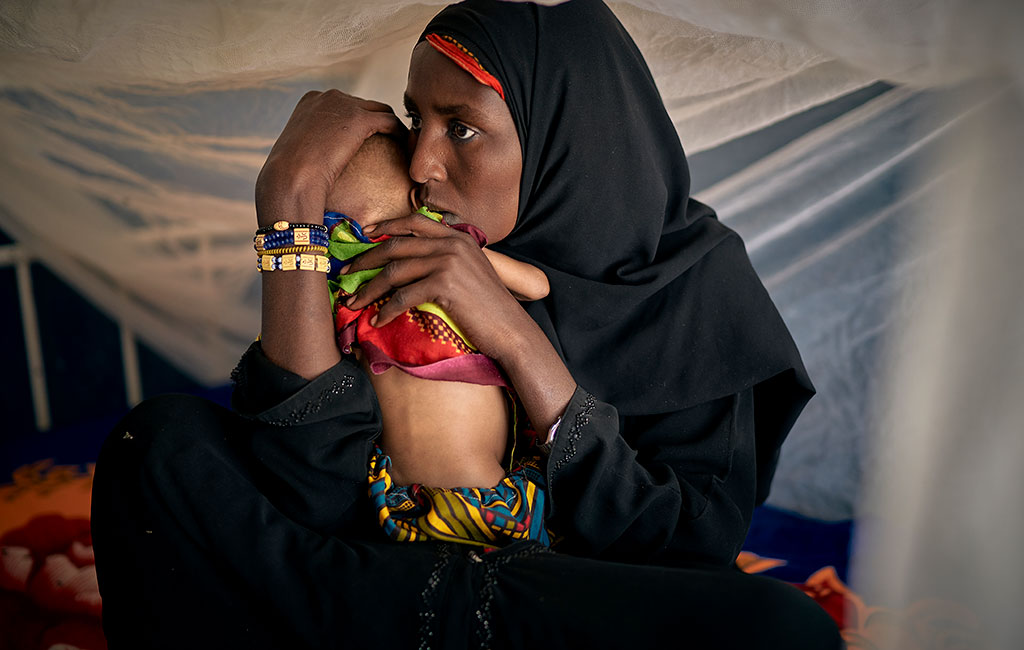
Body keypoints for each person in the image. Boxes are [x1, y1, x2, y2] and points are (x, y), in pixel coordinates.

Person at [91, 1, 842, 648]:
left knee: (781, 632)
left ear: (566, 136)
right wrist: (289, 207)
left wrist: (515, 337)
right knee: (155, 446)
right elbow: (317, 491)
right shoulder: (408, 249)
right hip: (389, 564)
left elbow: (685, 550)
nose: (420, 162)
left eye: (464, 128)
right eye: (419, 118)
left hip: (553, 603)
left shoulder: (692, 289)